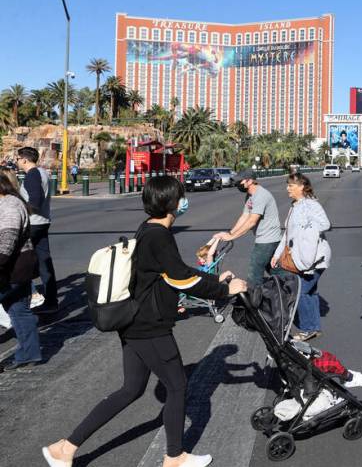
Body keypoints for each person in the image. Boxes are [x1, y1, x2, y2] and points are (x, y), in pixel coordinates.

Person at [43, 176, 247, 467]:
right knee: (177, 387)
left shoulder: (148, 229)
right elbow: (181, 278)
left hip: (134, 322)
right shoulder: (159, 236)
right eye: (181, 196)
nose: (184, 200)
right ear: (172, 203)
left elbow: (173, 271)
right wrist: (225, 290)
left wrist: (214, 278)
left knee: (131, 389)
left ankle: (65, 448)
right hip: (149, 326)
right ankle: (174, 457)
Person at [271, 173, 331, 342]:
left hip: (315, 258)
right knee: (310, 291)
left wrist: (306, 232)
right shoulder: (294, 206)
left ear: (302, 187)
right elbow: (287, 234)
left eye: (291, 185)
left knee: (301, 291)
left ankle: (307, 328)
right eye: (288, 185)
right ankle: (314, 327)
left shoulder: (310, 205)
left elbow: (325, 224)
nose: (287, 188)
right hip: (302, 258)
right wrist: (277, 254)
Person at [210, 169, 282, 288]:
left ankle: (254, 302)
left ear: (249, 181)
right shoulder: (250, 196)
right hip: (264, 238)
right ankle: (290, 286)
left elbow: (251, 222)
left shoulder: (261, 195)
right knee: (273, 269)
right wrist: (229, 233)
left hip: (268, 240)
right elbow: (244, 217)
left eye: (240, 181)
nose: (238, 184)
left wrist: (232, 236)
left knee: (254, 273)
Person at [0, 166, 41, 372]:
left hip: (11, 268)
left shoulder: (9, 205)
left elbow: (6, 242)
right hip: (19, 266)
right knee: (18, 310)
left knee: (19, 310)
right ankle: (28, 353)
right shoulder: (9, 203)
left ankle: (28, 353)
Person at [16, 147, 57, 314]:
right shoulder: (42, 172)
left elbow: (36, 200)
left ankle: (31, 295)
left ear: (24, 160)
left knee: (19, 260)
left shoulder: (32, 175)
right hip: (43, 222)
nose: (17, 162)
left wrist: (19, 208)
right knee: (44, 262)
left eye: (17, 159)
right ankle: (51, 301)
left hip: (31, 224)